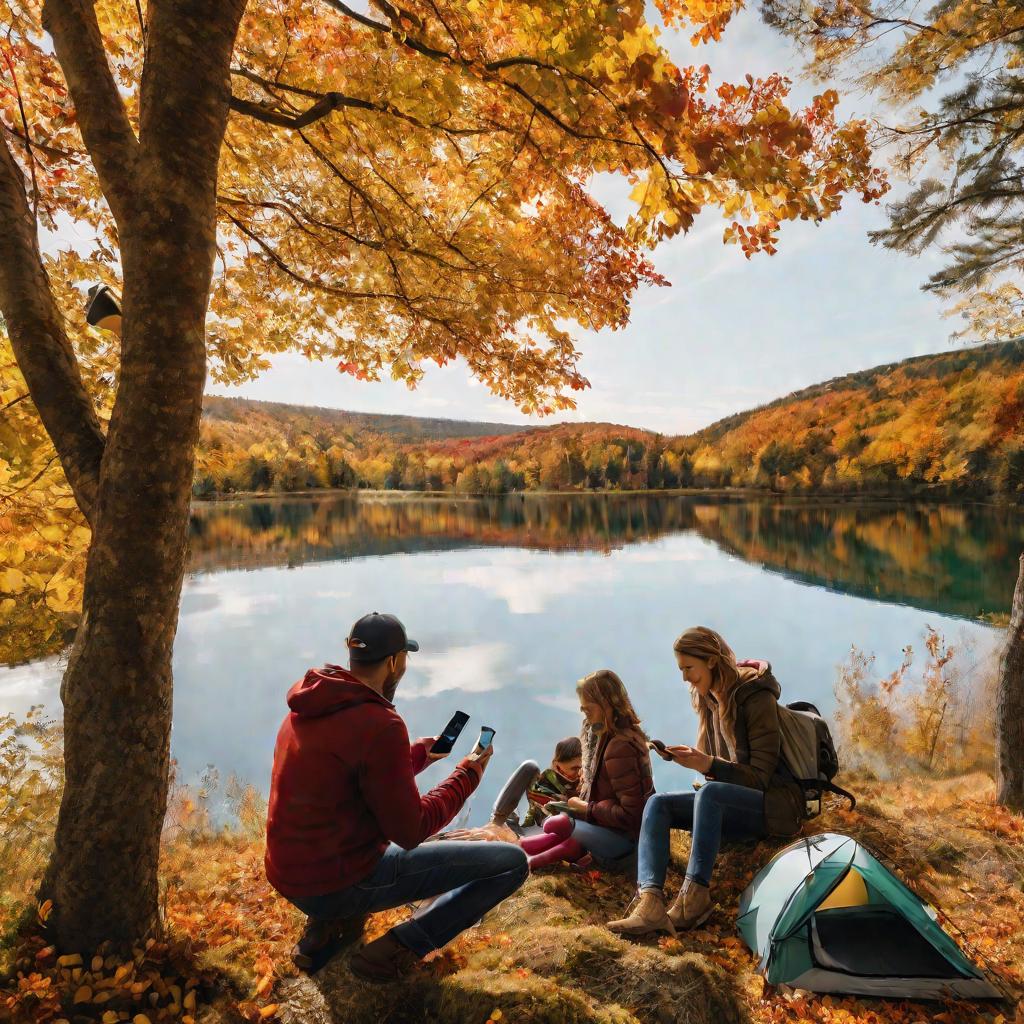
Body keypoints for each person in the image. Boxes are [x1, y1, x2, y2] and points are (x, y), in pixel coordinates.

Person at [265, 612, 528, 980]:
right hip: (336, 881)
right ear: (392, 662)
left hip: (287, 873)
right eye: (405, 657)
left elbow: (350, 778)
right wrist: (468, 775)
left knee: (344, 835)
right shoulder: (380, 724)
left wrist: (419, 754)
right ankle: (398, 949)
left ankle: (321, 935)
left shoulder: (308, 705)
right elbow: (410, 830)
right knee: (513, 863)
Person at [607, 626, 804, 938]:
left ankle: (694, 898)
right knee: (658, 804)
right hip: (734, 802)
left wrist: (709, 764)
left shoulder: (756, 697)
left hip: (776, 806)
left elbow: (761, 778)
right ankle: (650, 904)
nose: (685, 677)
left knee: (709, 794)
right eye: (681, 669)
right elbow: (722, 774)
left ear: (711, 661)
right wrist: (697, 761)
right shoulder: (710, 700)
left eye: (689, 668)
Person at [521, 670, 654, 871]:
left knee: (559, 824)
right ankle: (525, 852)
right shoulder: (606, 739)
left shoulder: (621, 747)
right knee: (550, 829)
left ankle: (533, 853)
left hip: (627, 846)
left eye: (588, 710)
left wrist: (586, 808)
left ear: (607, 705)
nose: (586, 716)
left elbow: (633, 816)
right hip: (609, 832)